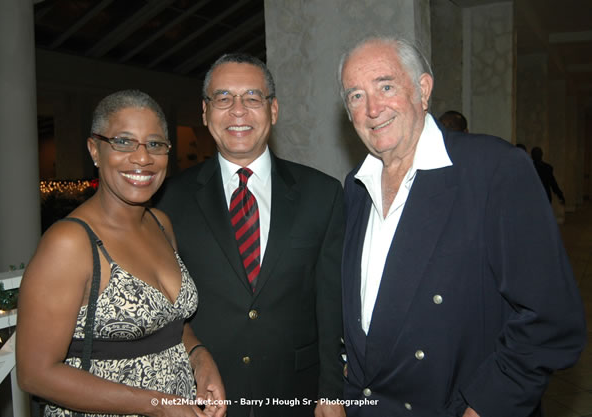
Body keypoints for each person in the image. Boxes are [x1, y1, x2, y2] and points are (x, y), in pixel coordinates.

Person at [338, 36, 586, 417]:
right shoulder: (355, 186)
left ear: (422, 90)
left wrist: (483, 407)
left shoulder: (494, 169)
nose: (372, 108)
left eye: (385, 86)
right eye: (355, 96)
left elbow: (551, 320)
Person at [16, 90, 226, 417]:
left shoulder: (160, 223)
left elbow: (172, 322)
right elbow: (35, 374)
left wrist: (199, 357)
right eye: (124, 142)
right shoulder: (70, 242)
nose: (142, 158)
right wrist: (156, 404)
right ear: (94, 150)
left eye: (155, 144)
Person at [156, 54, 345, 417]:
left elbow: (330, 303)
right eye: (223, 98)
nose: (238, 111)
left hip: (297, 395)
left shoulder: (322, 194)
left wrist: (332, 392)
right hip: (205, 398)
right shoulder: (169, 200)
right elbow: (166, 307)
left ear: (273, 110)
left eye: (252, 98)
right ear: (205, 112)